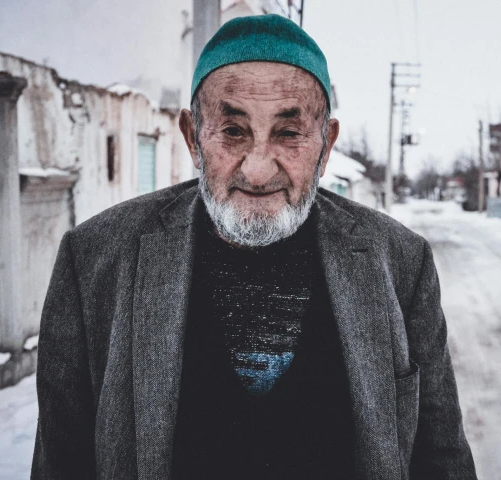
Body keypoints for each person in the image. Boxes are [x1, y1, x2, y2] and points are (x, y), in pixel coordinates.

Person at [31, 14, 476, 480]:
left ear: (325, 146)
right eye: (233, 131)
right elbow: (61, 463)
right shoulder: (95, 260)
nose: (259, 170)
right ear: (193, 138)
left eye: (288, 133)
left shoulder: (402, 263)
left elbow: (441, 458)